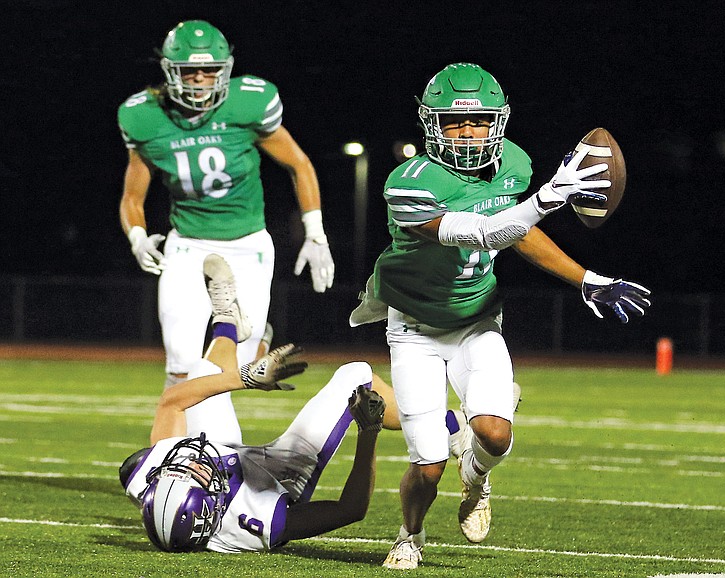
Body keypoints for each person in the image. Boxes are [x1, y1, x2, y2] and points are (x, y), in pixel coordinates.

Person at [349, 62, 651, 569]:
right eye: (453, 122)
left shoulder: (512, 162)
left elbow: (514, 231)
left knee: (494, 434)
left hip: (476, 320)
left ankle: (478, 480)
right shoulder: (408, 182)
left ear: (499, 121)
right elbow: (479, 233)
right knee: (426, 464)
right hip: (416, 330)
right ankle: (410, 535)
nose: (468, 133)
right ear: (431, 124)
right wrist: (547, 200)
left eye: (479, 121)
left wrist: (585, 278)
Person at [118, 20, 334, 392]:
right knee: (181, 366)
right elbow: (132, 197)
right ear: (170, 71)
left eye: (210, 70)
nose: (201, 79)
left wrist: (315, 233)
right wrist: (137, 236)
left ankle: (257, 341)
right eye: (190, 71)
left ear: (226, 70)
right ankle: (186, 450)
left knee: (239, 371)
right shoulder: (144, 117)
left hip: (247, 244)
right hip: (188, 245)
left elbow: (298, 164)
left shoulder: (248, 103)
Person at [120, 253, 382, 552]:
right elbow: (350, 509)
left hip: (230, 458)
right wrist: (369, 429)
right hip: (281, 474)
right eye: (195, 475)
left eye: (178, 472)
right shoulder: (254, 521)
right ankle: (442, 426)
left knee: (202, 373)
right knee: (356, 374)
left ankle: (227, 320)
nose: (190, 462)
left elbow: (172, 402)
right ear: (212, 511)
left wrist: (246, 377)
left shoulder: (146, 476)